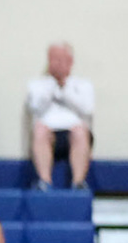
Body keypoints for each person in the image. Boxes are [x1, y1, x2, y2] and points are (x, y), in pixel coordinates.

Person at [27, 43, 95, 190]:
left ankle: (78, 183)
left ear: (70, 61)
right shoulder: (37, 84)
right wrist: (53, 86)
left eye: (60, 59)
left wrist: (64, 88)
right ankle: (44, 182)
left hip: (74, 131)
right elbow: (35, 107)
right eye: (52, 59)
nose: (56, 63)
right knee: (39, 130)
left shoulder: (83, 85)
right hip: (48, 132)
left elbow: (87, 109)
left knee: (80, 131)